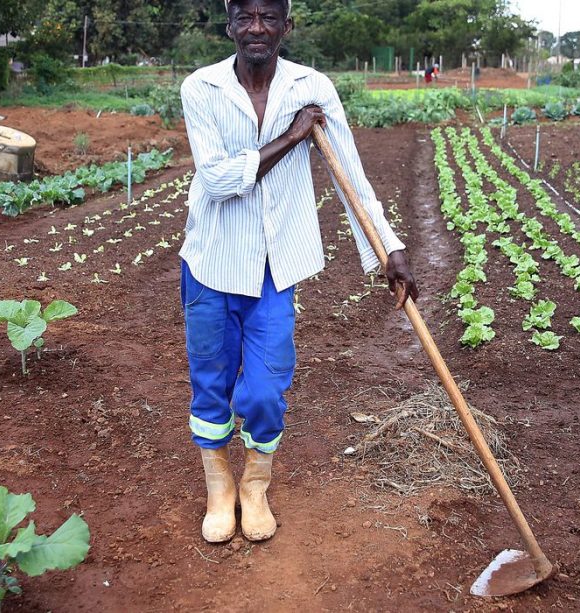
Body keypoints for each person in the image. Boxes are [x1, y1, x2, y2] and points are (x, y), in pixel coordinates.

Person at [179, 0, 418, 544]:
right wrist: (291, 137)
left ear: (287, 25)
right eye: (246, 17)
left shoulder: (314, 87)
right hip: (212, 261)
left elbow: (350, 174)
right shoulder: (202, 88)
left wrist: (389, 249)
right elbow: (217, 181)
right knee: (211, 383)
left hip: (275, 267)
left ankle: (255, 481)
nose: (257, 28)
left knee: (265, 390)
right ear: (230, 25)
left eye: (269, 17)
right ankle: (219, 482)